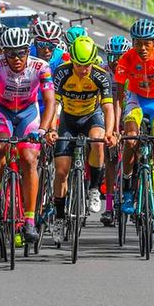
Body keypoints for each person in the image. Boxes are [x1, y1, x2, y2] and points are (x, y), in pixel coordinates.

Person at [0, 28, 56, 242]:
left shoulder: (40, 66)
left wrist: (43, 129)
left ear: (28, 50)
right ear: (3, 53)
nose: (16, 58)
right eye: (11, 54)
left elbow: (50, 100)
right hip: (2, 112)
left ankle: (30, 220)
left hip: (28, 113)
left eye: (21, 53)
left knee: (29, 158)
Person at [114, 19, 154, 239]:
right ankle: (129, 191)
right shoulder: (127, 58)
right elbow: (118, 95)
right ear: (133, 42)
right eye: (138, 43)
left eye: (147, 43)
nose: (142, 48)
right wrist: (116, 126)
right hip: (136, 100)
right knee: (131, 139)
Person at [49, 36, 116, 242]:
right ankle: (59, 217)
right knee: (61, 171)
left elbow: (108, 107)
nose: (83, 69)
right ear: (73, 61)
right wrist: (51, 128)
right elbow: (54, 104)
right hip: (68, 119)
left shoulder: (100, 75)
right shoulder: (62, 72)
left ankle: (94, 189)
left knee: (97, 141)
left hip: (91, 116)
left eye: (87, 65)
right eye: (79, 64)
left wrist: (110, 132)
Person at [100, 35, 130, 226]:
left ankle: (133, 194)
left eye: (120, 57)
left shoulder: (132, 71)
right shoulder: (102, 71)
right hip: (107, 114)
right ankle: (109, 206)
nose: (116, 61)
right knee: (110, 158)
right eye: (112, 57)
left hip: (128, 112)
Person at [30, 20, 70, 112]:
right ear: (35, 43)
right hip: (30, 101)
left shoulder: (63, 57)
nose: (46, 50)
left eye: (52, 45)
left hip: (54, 100)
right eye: (42, 44)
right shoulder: (27, 54)